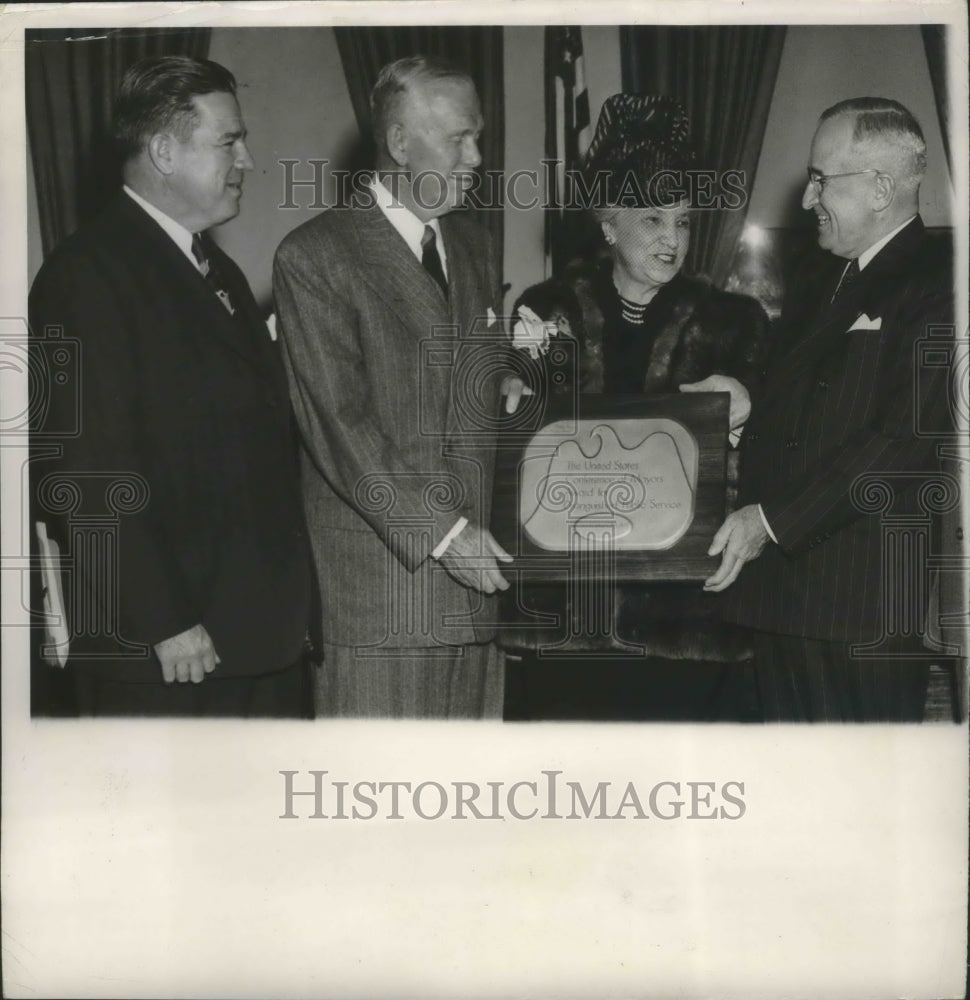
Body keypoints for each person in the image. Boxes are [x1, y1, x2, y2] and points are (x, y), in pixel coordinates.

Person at [29, 56, 312, 716]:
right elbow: (87, 469)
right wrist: (162, 618)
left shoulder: (216, 271)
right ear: (162, 150)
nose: (247, 159)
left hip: (250, 637)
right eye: (228, 141)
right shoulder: (88, 275)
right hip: (171, 652)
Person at [502, 94, 771, 721]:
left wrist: (748, 413)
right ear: (608, 223)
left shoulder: (733, 323)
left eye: (682, 221)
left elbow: (775, 458)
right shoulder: (547, 310)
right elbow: (513, 455)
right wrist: (507, 405)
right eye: (653, 220)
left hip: (683, 619)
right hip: (565, 612)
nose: (672, 240)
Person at [274, 56, 518, 718]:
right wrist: (443, 533)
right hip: (385, 594)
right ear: (402, 144)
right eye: (460, 137)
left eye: (479, 136)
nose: (477, 155)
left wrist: (513, 385)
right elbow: (341, 427)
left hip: (476, 593)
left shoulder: (475, 247)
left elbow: (465, 386)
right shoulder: (316, 256)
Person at [706, 97, 954, 722]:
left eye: (822, 179)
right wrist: (745, 405)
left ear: (879, 188)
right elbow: (811, 398)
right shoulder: (819, 275)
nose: (808, 198)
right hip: (779, 596)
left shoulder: (944, 280)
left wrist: (771, 522)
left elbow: (902, 440)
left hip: (861, 604)